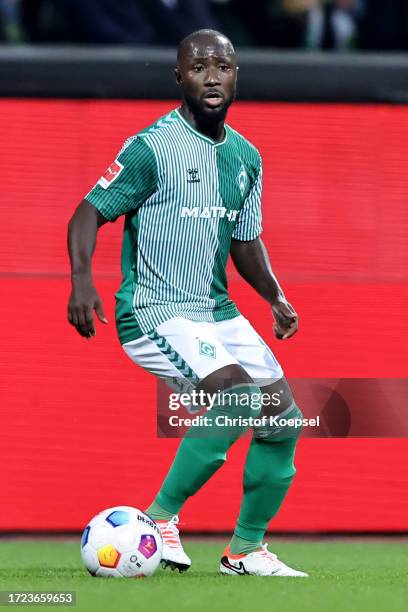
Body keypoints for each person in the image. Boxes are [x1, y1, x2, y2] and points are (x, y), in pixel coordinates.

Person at [67, 29, 308, 577]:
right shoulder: (152, 146)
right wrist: (82, 280)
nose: (212, 76)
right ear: (179, 77)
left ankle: (245, 551)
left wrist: (275, 296)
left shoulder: (246, 157)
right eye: (198, 67)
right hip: (154, 311)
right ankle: (160, 519)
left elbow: (245, 242)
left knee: (284, 419)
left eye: (222, 66)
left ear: (236, 75)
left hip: (217, 311)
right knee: (240, 398)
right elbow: (88, 211)